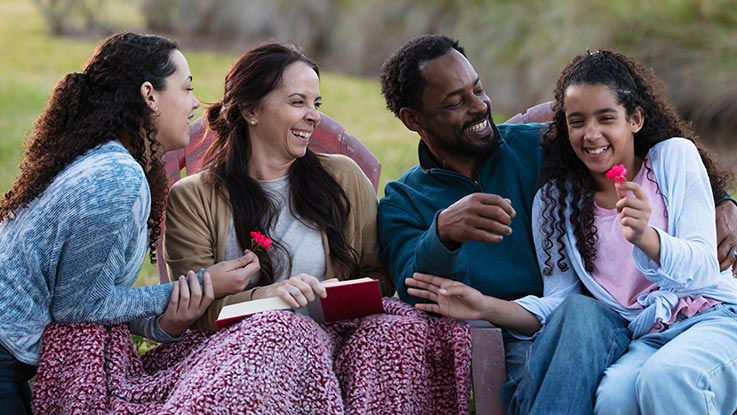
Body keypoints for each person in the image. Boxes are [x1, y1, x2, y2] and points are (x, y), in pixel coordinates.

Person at [378, 35, 737, 414]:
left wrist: (723, 201)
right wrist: (443, 234)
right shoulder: (403, 201)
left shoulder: (541, 148)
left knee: (584, 318)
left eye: (478, 89)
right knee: (586, 334)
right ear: (412, 119)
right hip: (521, 335)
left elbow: (644, 147)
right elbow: (414, 288)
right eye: (456, 101)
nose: (479, 106)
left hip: (606, 324)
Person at [164, 43, 471, 414]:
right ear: (249, 110)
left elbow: (378, 275)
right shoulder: (193, 197)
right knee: (283, 332)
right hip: (244, 350)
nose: (313, 117)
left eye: (316, 105)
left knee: (398, 332)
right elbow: (197, 312)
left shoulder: (342, 178)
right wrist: (271, 299)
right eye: (298, 102)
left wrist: (336, 295)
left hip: (340, 335)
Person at [0, 33, 259, 414]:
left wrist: (165, 324)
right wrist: (205, 284)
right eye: (186, 88)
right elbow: (78, 306)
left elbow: (92, 294)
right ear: (149, 95)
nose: (193, 103)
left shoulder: (107, 159)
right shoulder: (116, 178)